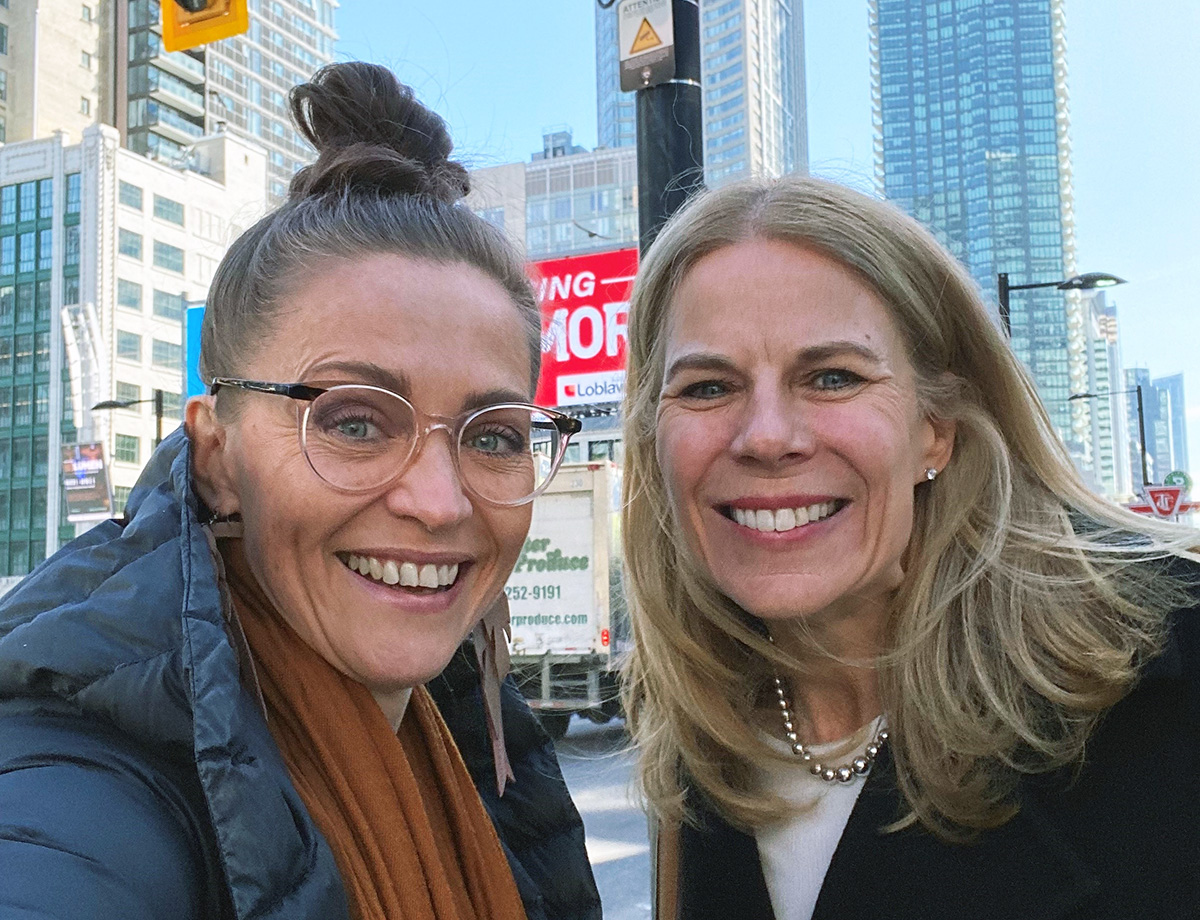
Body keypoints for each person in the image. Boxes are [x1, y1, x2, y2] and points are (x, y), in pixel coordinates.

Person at [0, 62, 602, 920]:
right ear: (214, 455)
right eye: (355, 422)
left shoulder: (471, 737)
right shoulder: (84, 794)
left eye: (494, 435)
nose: (439, 503)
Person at [620, 175, 1200, 920]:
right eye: (706, 388)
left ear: (937, 427)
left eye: (832, 377)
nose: (765, 436)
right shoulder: (697, 742)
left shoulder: (1166, 688)